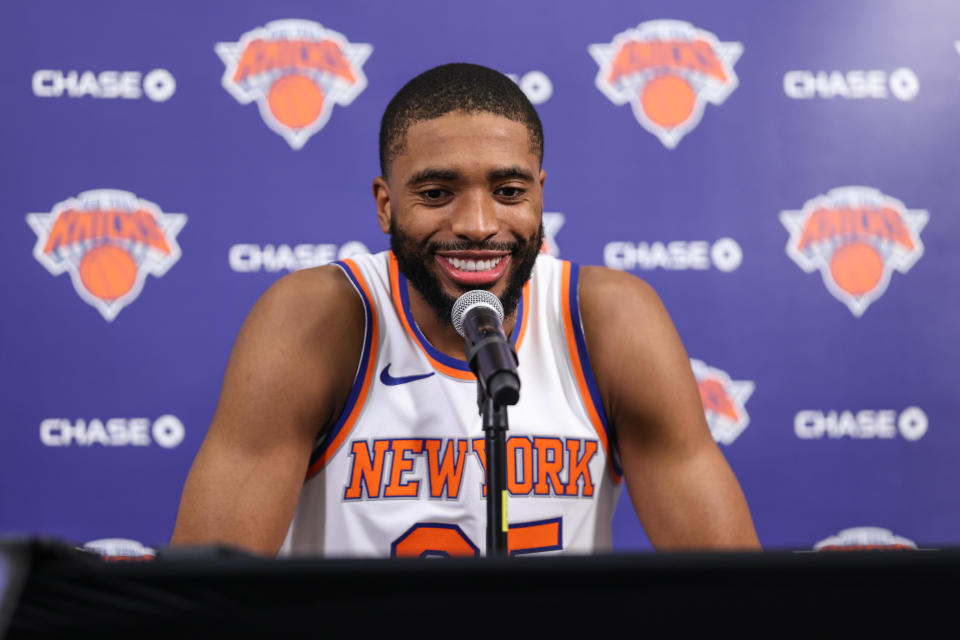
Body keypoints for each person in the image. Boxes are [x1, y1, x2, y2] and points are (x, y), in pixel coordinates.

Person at [171, 63, 760, 556]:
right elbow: (202, 604)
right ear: (385, 205)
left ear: (540, 194)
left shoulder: (607, 320)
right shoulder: (316, 319)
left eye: (509, 192)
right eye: (436, 193)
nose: (478, 226)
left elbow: (737, 598)